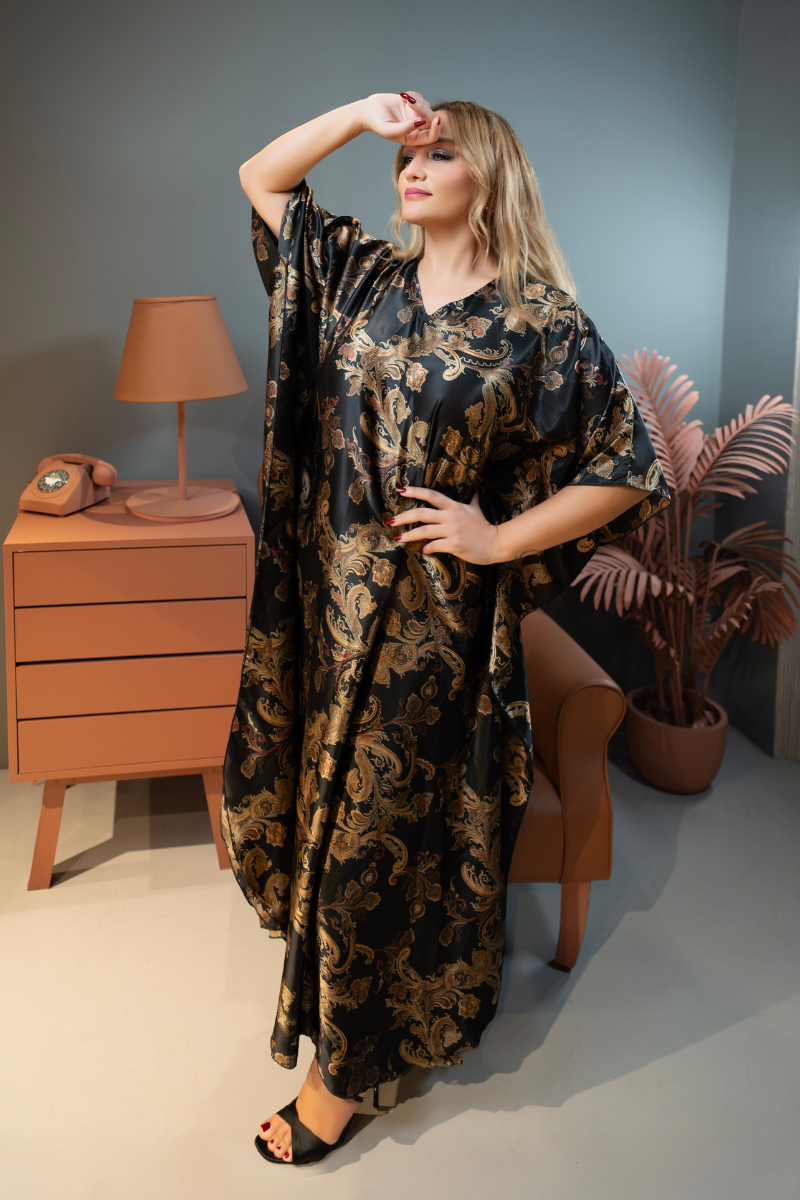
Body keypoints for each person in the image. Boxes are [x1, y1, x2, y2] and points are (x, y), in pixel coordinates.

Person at [221, 92, 670, 1166]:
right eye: (403, 158)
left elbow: (627, 461)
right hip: (327, 611)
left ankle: (339, 1080)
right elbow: (262, 179)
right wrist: (359, 113)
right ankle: (352, 1013)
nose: (409, 170)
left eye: (435, 155)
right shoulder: (362, 278)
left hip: (431, 630)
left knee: (371, 847)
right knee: (327, 824)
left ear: (490, 175)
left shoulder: (537, 322)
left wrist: (499, 538)